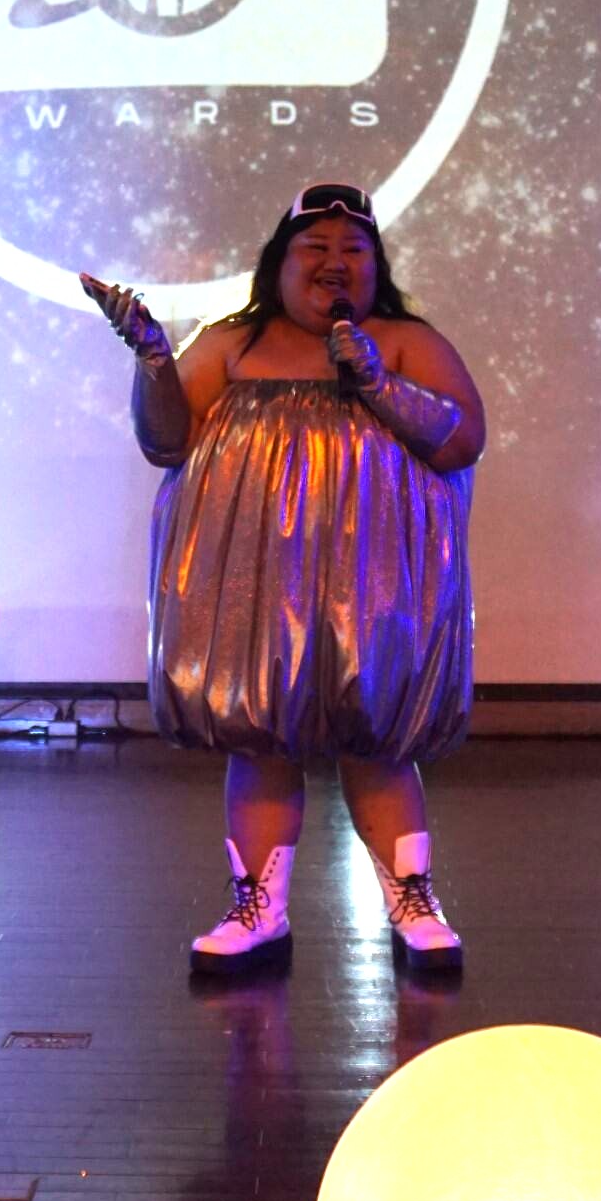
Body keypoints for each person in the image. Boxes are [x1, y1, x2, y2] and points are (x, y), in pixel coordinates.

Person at [87, 182, 485, 976]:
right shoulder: (233, 342)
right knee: (261, 742)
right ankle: (257, 908)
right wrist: (154, 358)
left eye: (354, 252)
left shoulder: (405, 340)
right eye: (317, 250)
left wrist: (376, 381)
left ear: (378, 265)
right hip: (257, 588)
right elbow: (166, 442)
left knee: (376, 742)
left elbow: (460, 439)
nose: (336, 265)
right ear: (280, 262)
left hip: (375, 587)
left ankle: (413, 901)